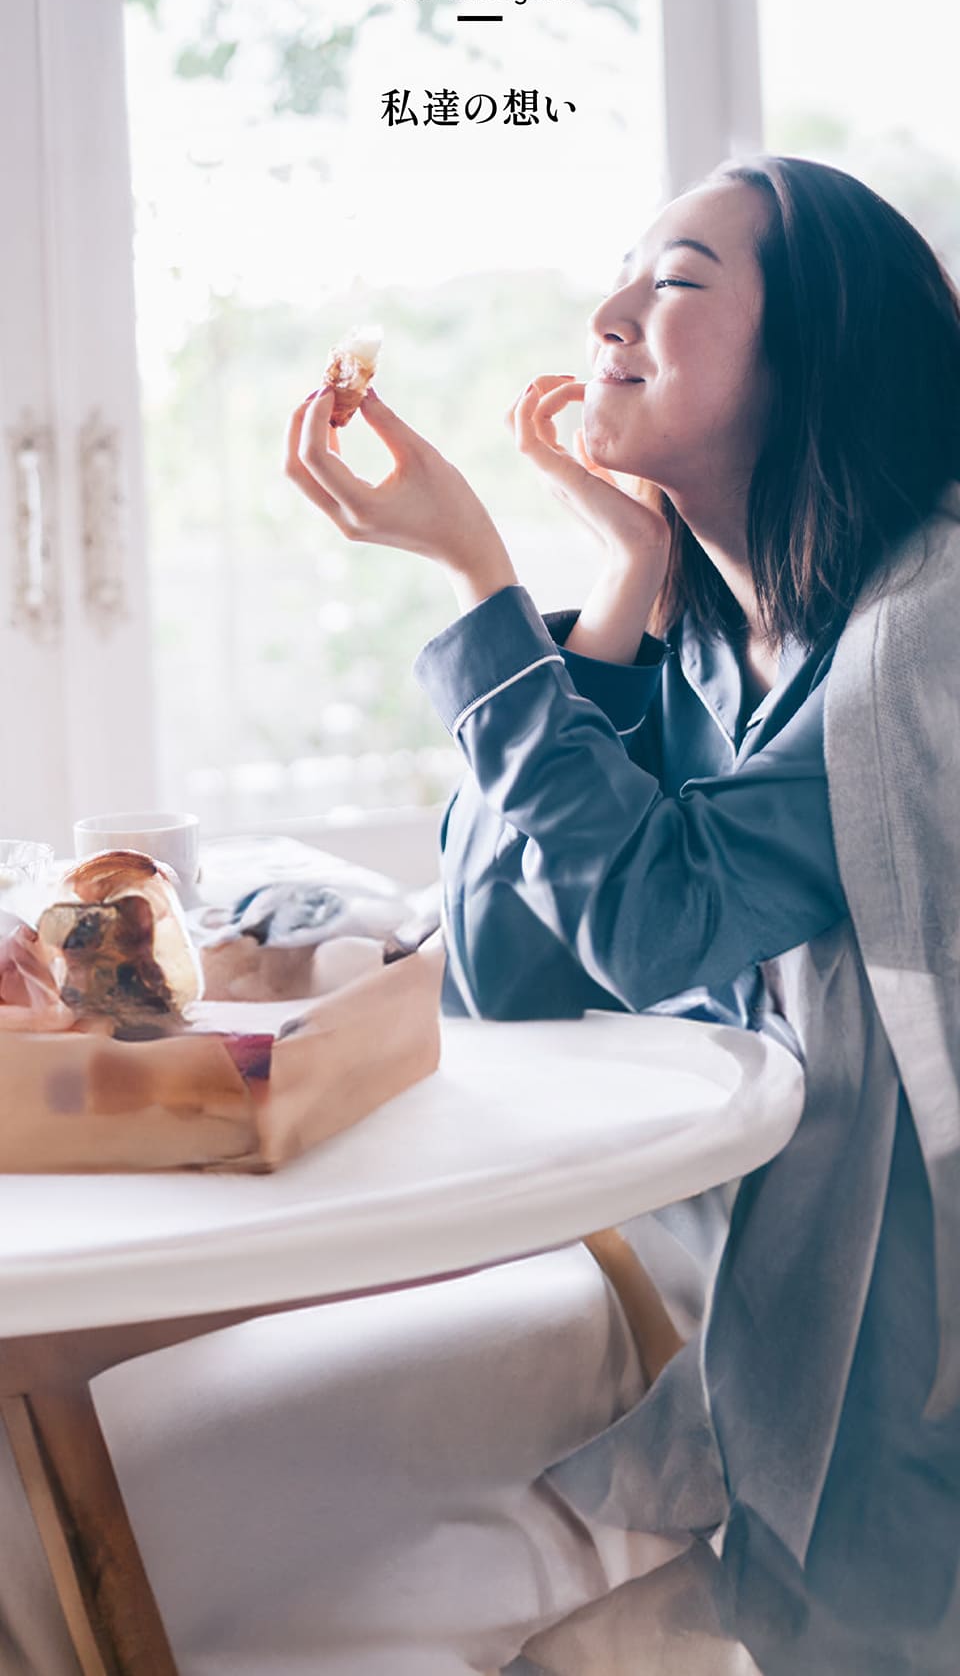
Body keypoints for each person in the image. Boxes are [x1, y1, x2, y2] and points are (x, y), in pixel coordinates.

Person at [284, 154, 960, 1674]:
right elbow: (509, 972)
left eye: (673, 282)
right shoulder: (718, 636)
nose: (606, 316)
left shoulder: (926, 635)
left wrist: (475, 581)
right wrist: (608, 590)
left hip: (905, 1372)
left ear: (820, 356)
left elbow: (658, 930)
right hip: (737, 1258)